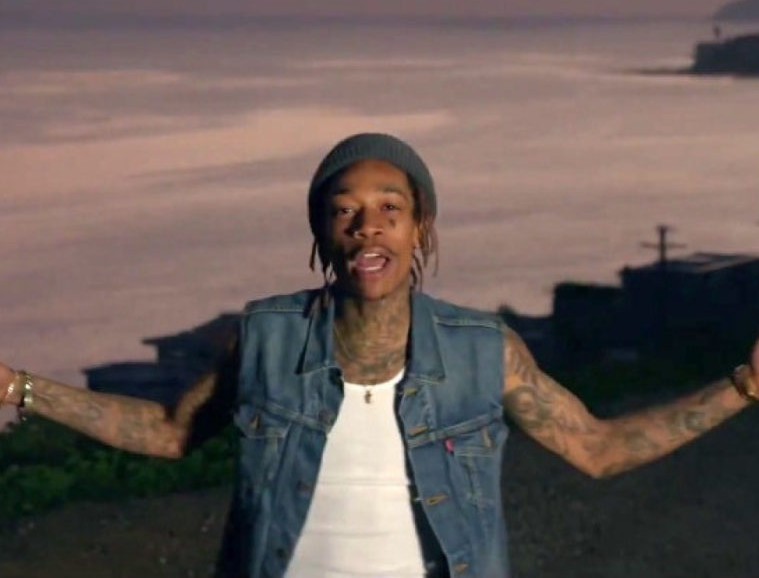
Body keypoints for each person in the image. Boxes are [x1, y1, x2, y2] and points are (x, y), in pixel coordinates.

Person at [1, 132, 758, 578]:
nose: (368, 226)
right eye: (345, 212)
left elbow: (597, 447)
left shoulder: (481, 349)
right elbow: (170, 431)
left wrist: (742, 387)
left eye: (389, 210)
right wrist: (18, 388)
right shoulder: (265, 338)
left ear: (419, 229)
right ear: (322, 235)